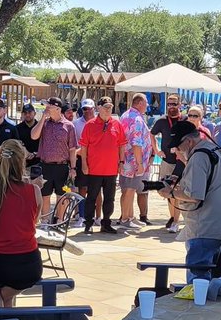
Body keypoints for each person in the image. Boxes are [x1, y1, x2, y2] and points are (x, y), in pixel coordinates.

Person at [158, 121, 221, 280]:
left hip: (208, 228)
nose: (177, 151)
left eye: (179, 146)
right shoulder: (215, 149)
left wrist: (170, 193)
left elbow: (195, 195)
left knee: (199, 284)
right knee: (219, 281)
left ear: (189, 141)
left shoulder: (198, 156)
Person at [0, 140, 43, 307]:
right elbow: (35, 222)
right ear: (22, 162)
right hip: (30, 265)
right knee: (6, 295)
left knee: (0, 293)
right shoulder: (34, 191)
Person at [78, 96, 126, 234]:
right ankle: (88, 223)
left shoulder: (117, 124)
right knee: (91, 197)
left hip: (111, 170)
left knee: (109, 198)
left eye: (110, 107)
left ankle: (106, 222)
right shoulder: (90, 125)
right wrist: (84, 165)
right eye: (105, 107)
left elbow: (121, 145)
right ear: (99, 108)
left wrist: (121, 162)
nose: (108, 110)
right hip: (94, 169)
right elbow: (84, 146)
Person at [29, 96, 78, 218]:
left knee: (62, 195)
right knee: (45, 195)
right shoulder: (44, 123)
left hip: (61, 166)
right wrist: (42, 119)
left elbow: (72, 149)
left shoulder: (69, 126)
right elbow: (34, 136)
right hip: (45, 165)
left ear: (57, 108)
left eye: (49, 106)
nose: (46, 108)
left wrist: (73, 168)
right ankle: (45, 221)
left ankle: (59, 220)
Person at [151, 93, 188, 233]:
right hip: (167, 161)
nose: (171, 107)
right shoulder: (162, 121)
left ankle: (176, 220)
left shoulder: (185, 119)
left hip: (180, 161)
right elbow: (151, 134)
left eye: (174, 104)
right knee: (167, 191)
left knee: (177, 191)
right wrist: (156, 150)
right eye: (169, 104)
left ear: (179, 105)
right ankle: (173, 217)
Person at [118, 94, 154, 230]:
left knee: (127, 190)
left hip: (125, 160)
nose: (147, 106)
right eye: (146, 103)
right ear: (139, 103)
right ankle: (126, 218)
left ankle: (129, 216)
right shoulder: (137, 119)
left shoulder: (125, 115)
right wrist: (139, 164)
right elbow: (136, 143)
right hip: (132, 161)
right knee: (130, 190)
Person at [72, 98, 97, 228]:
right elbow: (74, 144)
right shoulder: (76, 124)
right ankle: (81, 216)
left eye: (89, 109)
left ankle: (93, 216)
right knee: (82, 188)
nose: (87, 111)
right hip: (81, 159)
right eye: (84, 109)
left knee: (95, 189)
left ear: (94, 109)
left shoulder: (100, 122)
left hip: (96, 160)